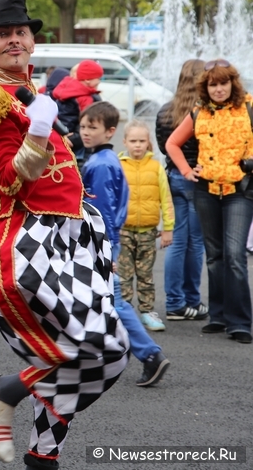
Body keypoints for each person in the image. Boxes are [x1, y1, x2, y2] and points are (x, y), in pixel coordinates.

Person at [0, 0, 129, 469]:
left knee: (109, 356)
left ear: (32, 39)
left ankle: (42, 454)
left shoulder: (25, 88)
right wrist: (38, 129)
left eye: (20, 31)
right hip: (23, 243)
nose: (14, 39)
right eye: (1, 33)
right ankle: (4, 390)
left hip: (65, 239)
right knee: (96, 347)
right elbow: (14, 182)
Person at [80, 102, 170, 382]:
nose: (85, 132)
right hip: (103, 242)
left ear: (110, 131)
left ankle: (150, 354)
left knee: (114, 301)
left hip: (101, 243)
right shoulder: (103, 160)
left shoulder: (102, 164)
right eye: (83, 126)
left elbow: (103, 214)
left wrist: (104, 250)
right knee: (103, 301)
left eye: (92, 128)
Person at [166, 59, 253, 344]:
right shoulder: (198, 112)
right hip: (205, 189)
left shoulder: (249, 108)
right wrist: (186, 170)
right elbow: (172, 144)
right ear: (206, 87)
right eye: (213, 84)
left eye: (223, 83)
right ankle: (218, 316)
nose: (219, 89)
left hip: (239, 190)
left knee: (235, 256)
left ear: (232, 83)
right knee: (215, 256)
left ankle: (240, 322)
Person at [155, 60, 207, 321]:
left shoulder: (165, 110)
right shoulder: (204, 112)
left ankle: (175, 302)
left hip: (174, 178)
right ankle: (192, 300)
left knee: (177, 240)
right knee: (196, 243)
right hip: (198, 177)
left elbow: (165, 147)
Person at [118, 120, 175, 330]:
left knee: (146, 276)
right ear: (125, 142)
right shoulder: (118, 165)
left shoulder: (156, 168)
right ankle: (123, 313)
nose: (138, 145)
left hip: (148, 233)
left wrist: (168, 228)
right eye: (133, 141)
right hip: (123, 231)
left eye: (142, 141)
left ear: (148, 142)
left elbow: (166, 198)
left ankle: (147, 311)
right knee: (123, 276)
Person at [52, 59, 103, 160]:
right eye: (98, 78)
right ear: (88, 80)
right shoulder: (84, 97)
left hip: (65, 135)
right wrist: (74, 138)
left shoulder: (70, 91)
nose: (99, 81)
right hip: (76, 141)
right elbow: (88, 121)